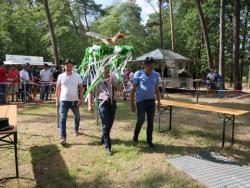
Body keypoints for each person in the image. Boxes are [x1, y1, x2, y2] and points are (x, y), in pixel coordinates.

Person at [130, 57, 161, 147]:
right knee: (141, 119)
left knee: (150, 121)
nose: (151, 66)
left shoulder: (156, 75)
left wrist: (159, 102)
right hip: (141, 102)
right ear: (145, 65)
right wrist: (132, 104)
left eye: (152, 64)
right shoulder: (138, 73)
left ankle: (149, 140)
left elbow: (157, 90)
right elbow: (133, 90)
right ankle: (135, 135)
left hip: (151, 101)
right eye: (149, 64)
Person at [56, 59, 84, 145]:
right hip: (63, 101)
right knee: (62, 118)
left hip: (74, 101)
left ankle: (76, 129)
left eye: (70, 66)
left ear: (72, 67)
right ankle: (63, 137)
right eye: (67, 66)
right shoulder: (60, 76)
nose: (68, 68)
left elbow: (81, 88)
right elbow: (58, 89)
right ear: (64, 66)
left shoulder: (77, 76)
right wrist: (57, 100)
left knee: (78, 117)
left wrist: (81, 98)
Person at [97, 70, 118, 155]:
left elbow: (119, 89)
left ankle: (104, 137)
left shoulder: (113, 77)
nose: (106, 71)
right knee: (105, 124)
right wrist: (89, 105)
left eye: (108, 68)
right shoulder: (97, 79)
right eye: (105, 68)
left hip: (112, 102)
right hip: (103, 103)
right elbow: (91, 91)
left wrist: (114, 84)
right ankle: (108, 147)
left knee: (110, 123)